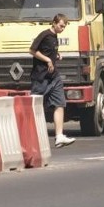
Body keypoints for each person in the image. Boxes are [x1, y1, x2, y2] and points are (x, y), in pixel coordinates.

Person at [29, 14, 75, 148]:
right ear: (54, 23)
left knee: (59, 103)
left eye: (64, 27)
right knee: (35, 106)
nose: (62, 29)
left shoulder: (55, 37)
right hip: (40, 78)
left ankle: (59, 136)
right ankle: (31, 137)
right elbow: (32, 50)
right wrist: (48, 60)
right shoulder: (44, 35)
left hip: (53, 77)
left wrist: (56, 56)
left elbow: (49, 51)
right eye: (61, 26)